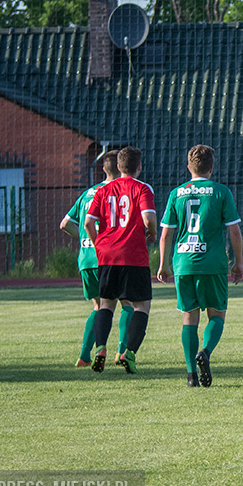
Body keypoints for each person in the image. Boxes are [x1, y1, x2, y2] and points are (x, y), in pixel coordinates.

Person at [157, 145, 243, 388]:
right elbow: (234, 230)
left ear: (189, 168)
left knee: (189, 317)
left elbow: (165, 235)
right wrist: (238, 262)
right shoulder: (220, 192)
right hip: (212, 262)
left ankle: (190, 376)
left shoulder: (176, 193)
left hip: (183, 263)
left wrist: (164, 265)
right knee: (216, 314)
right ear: (211, 168)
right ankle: (205, 353)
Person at [84, 146, 157, 374]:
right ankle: (129, 352)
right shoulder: (142, 188)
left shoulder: (103, 190)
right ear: (139, 166)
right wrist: (152, 233)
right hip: (133, 255)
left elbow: (88, 223)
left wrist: (99, 245)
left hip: (107, 255)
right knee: (141, 305)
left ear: (118, 166)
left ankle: (101, 349)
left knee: (106, 303)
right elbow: (148, 219)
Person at [60, 150, 135, 367]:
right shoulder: (118, 192)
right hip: (108, 257)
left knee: (98, 306)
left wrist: (84, 238)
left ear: (103, 168)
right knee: (127, 303)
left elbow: (65, 224)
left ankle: (84, 355)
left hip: (86, 260)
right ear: (120, 168)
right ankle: (122, 351)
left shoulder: (87, 193)